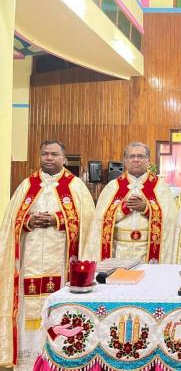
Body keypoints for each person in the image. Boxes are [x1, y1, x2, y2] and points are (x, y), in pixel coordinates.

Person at [0, 140, 95, 368]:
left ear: (64, 158)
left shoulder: (76, 187)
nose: (49, 158)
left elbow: (88, 225)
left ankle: (57, 358)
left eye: (54, 154)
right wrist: (28, 221)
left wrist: (57, 219)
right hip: (30, 261)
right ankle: (28, 359)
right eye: (45, 154)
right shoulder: (27, 186)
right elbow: (10, 222)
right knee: (27, 307)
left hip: (61, 263)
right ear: (40, 157)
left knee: (57, 306)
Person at [81, 142, 177, 263]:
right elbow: (98, 221)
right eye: (132, 156)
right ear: (125, 161)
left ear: (148, 160)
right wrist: (122, 209)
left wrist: (147, 209)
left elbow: (171, 220)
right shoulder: (113, 186)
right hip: (118, 251)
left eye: (141, 156)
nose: (136, 160)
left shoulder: (160, 187)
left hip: (148, 251)